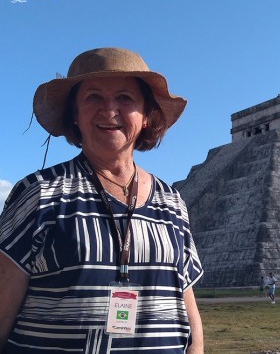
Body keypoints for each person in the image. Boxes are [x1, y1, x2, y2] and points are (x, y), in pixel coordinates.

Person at [0, 48, 204, 353]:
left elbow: (187, 310)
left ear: (147, 116)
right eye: (93, 97)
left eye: (125, 98)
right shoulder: (40, 194)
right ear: (74, 114)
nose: (109, 110)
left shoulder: (172, 202)